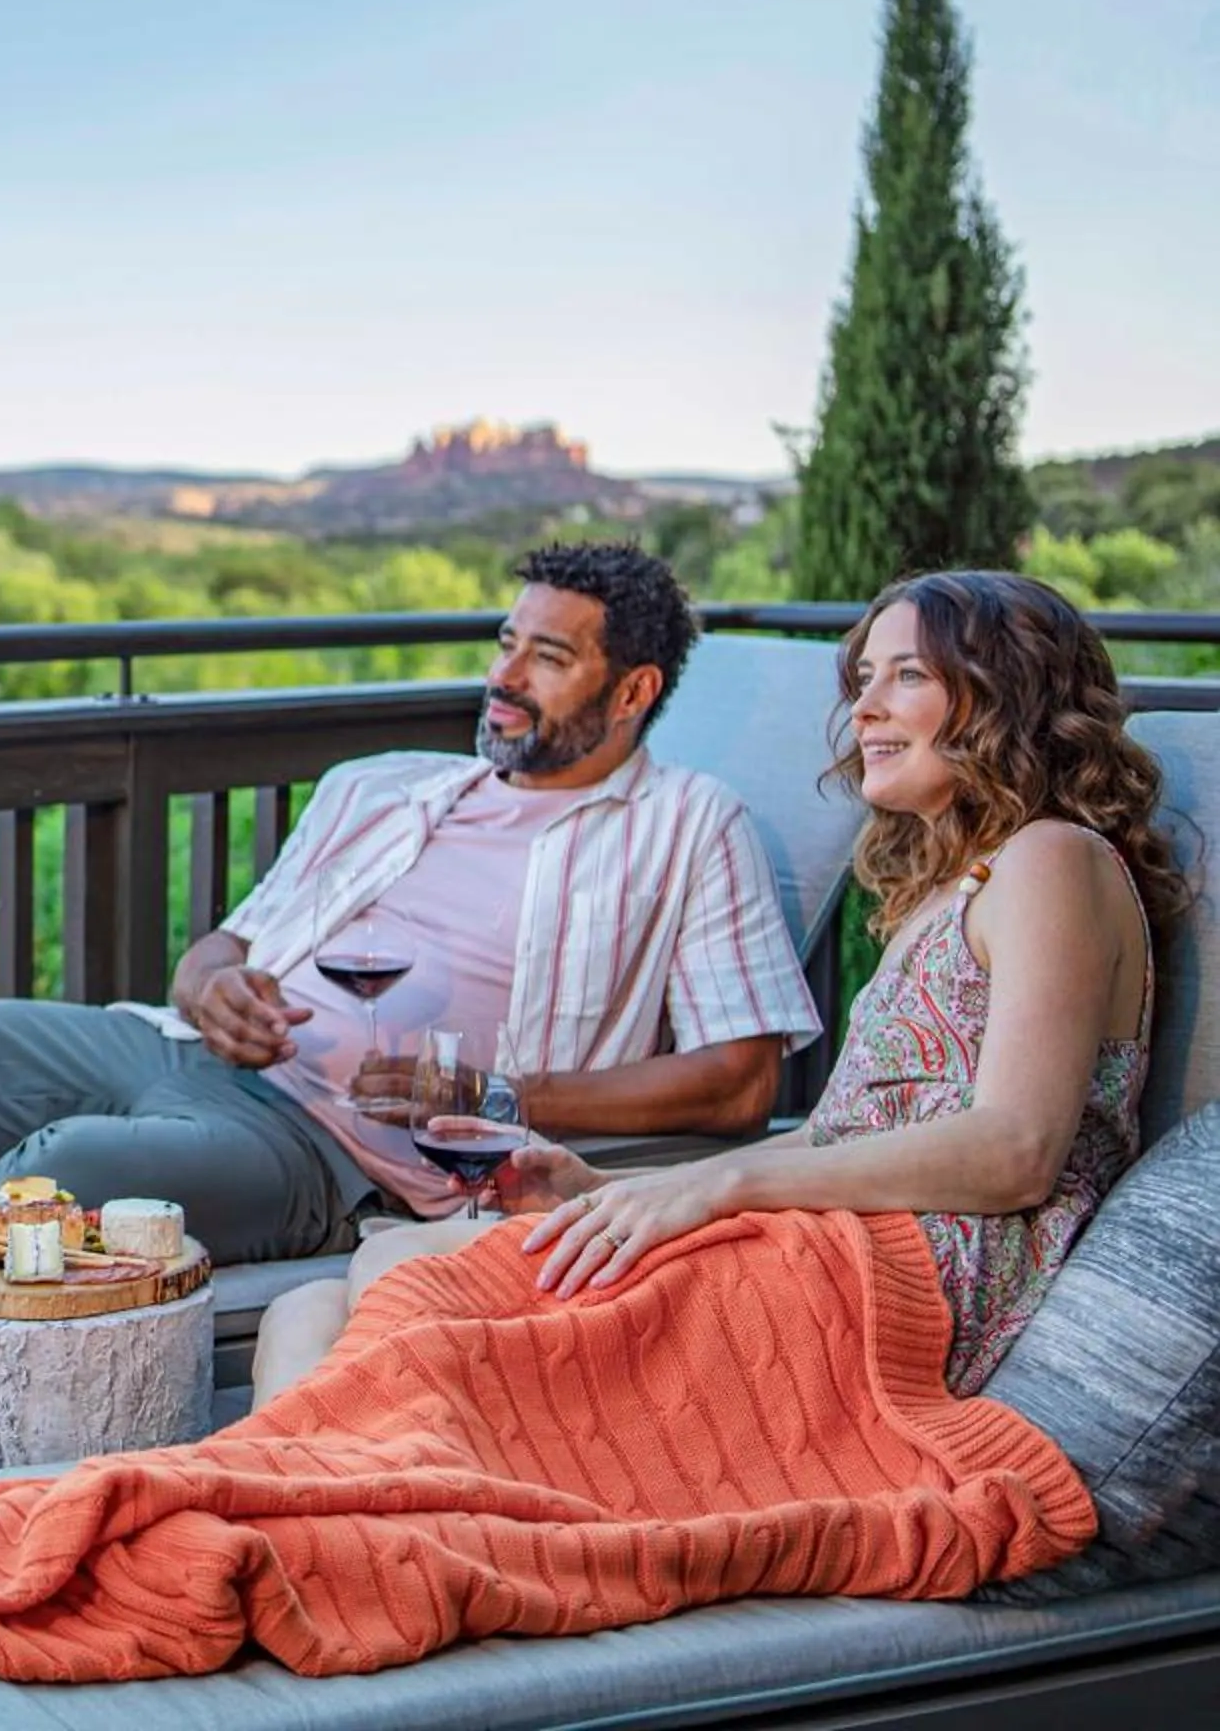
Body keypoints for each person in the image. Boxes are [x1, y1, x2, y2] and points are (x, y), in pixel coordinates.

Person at [0, 541, 824, 1267]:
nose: (505, 675)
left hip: (328, 1150)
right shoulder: (385, 786)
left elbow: (741, 1082)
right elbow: (224, 946)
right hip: (181, 1049)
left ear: (633, 691)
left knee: (72, 1164)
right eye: (506, 642)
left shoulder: (690, 826)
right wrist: (211, 986)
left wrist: (498, 1093)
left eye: (548, 657)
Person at [254, 569, 1187, 1400]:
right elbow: (835, 1134)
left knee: (399, 1278)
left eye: (907, 675)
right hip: (836, 1235)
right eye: (865, 678)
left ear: (1008, 696)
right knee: (311, 1306)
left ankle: (321, 1496)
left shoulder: (1052, 859)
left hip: (902, 1280)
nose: (864, 708)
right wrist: (610, 1186)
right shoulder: (950, 893)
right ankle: (301, 1492)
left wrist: (727, 1183)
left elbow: (1016, 1149)